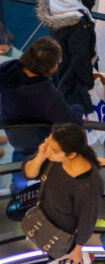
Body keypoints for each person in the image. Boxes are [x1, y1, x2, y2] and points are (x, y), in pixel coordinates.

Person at [23, 124, 103, 264]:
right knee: (52, 256)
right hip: (48, 222)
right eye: (48, 143)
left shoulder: (88, 184)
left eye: (53, 149)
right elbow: (30, 172)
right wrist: (42, 155)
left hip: (65, 236)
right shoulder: (54, 160)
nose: (47, 150)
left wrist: (78, 248)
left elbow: (87, 220)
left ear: (72, 154)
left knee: (60, 262)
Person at [0, 38, 82, 188]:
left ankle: (15, 190)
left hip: (14, 134)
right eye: (58, 61)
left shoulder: (8, 68)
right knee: (35, 169)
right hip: (37, 143)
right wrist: (78, 108)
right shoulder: (47, 95)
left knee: (19, 165)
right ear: (49, 66)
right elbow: (72, 123)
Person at [36, 0, 98, 114]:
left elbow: (83, 3)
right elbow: (80, 57)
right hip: (71, 75)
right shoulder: (77, 23)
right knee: (73, 110)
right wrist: (89, 82)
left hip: (61, 63)